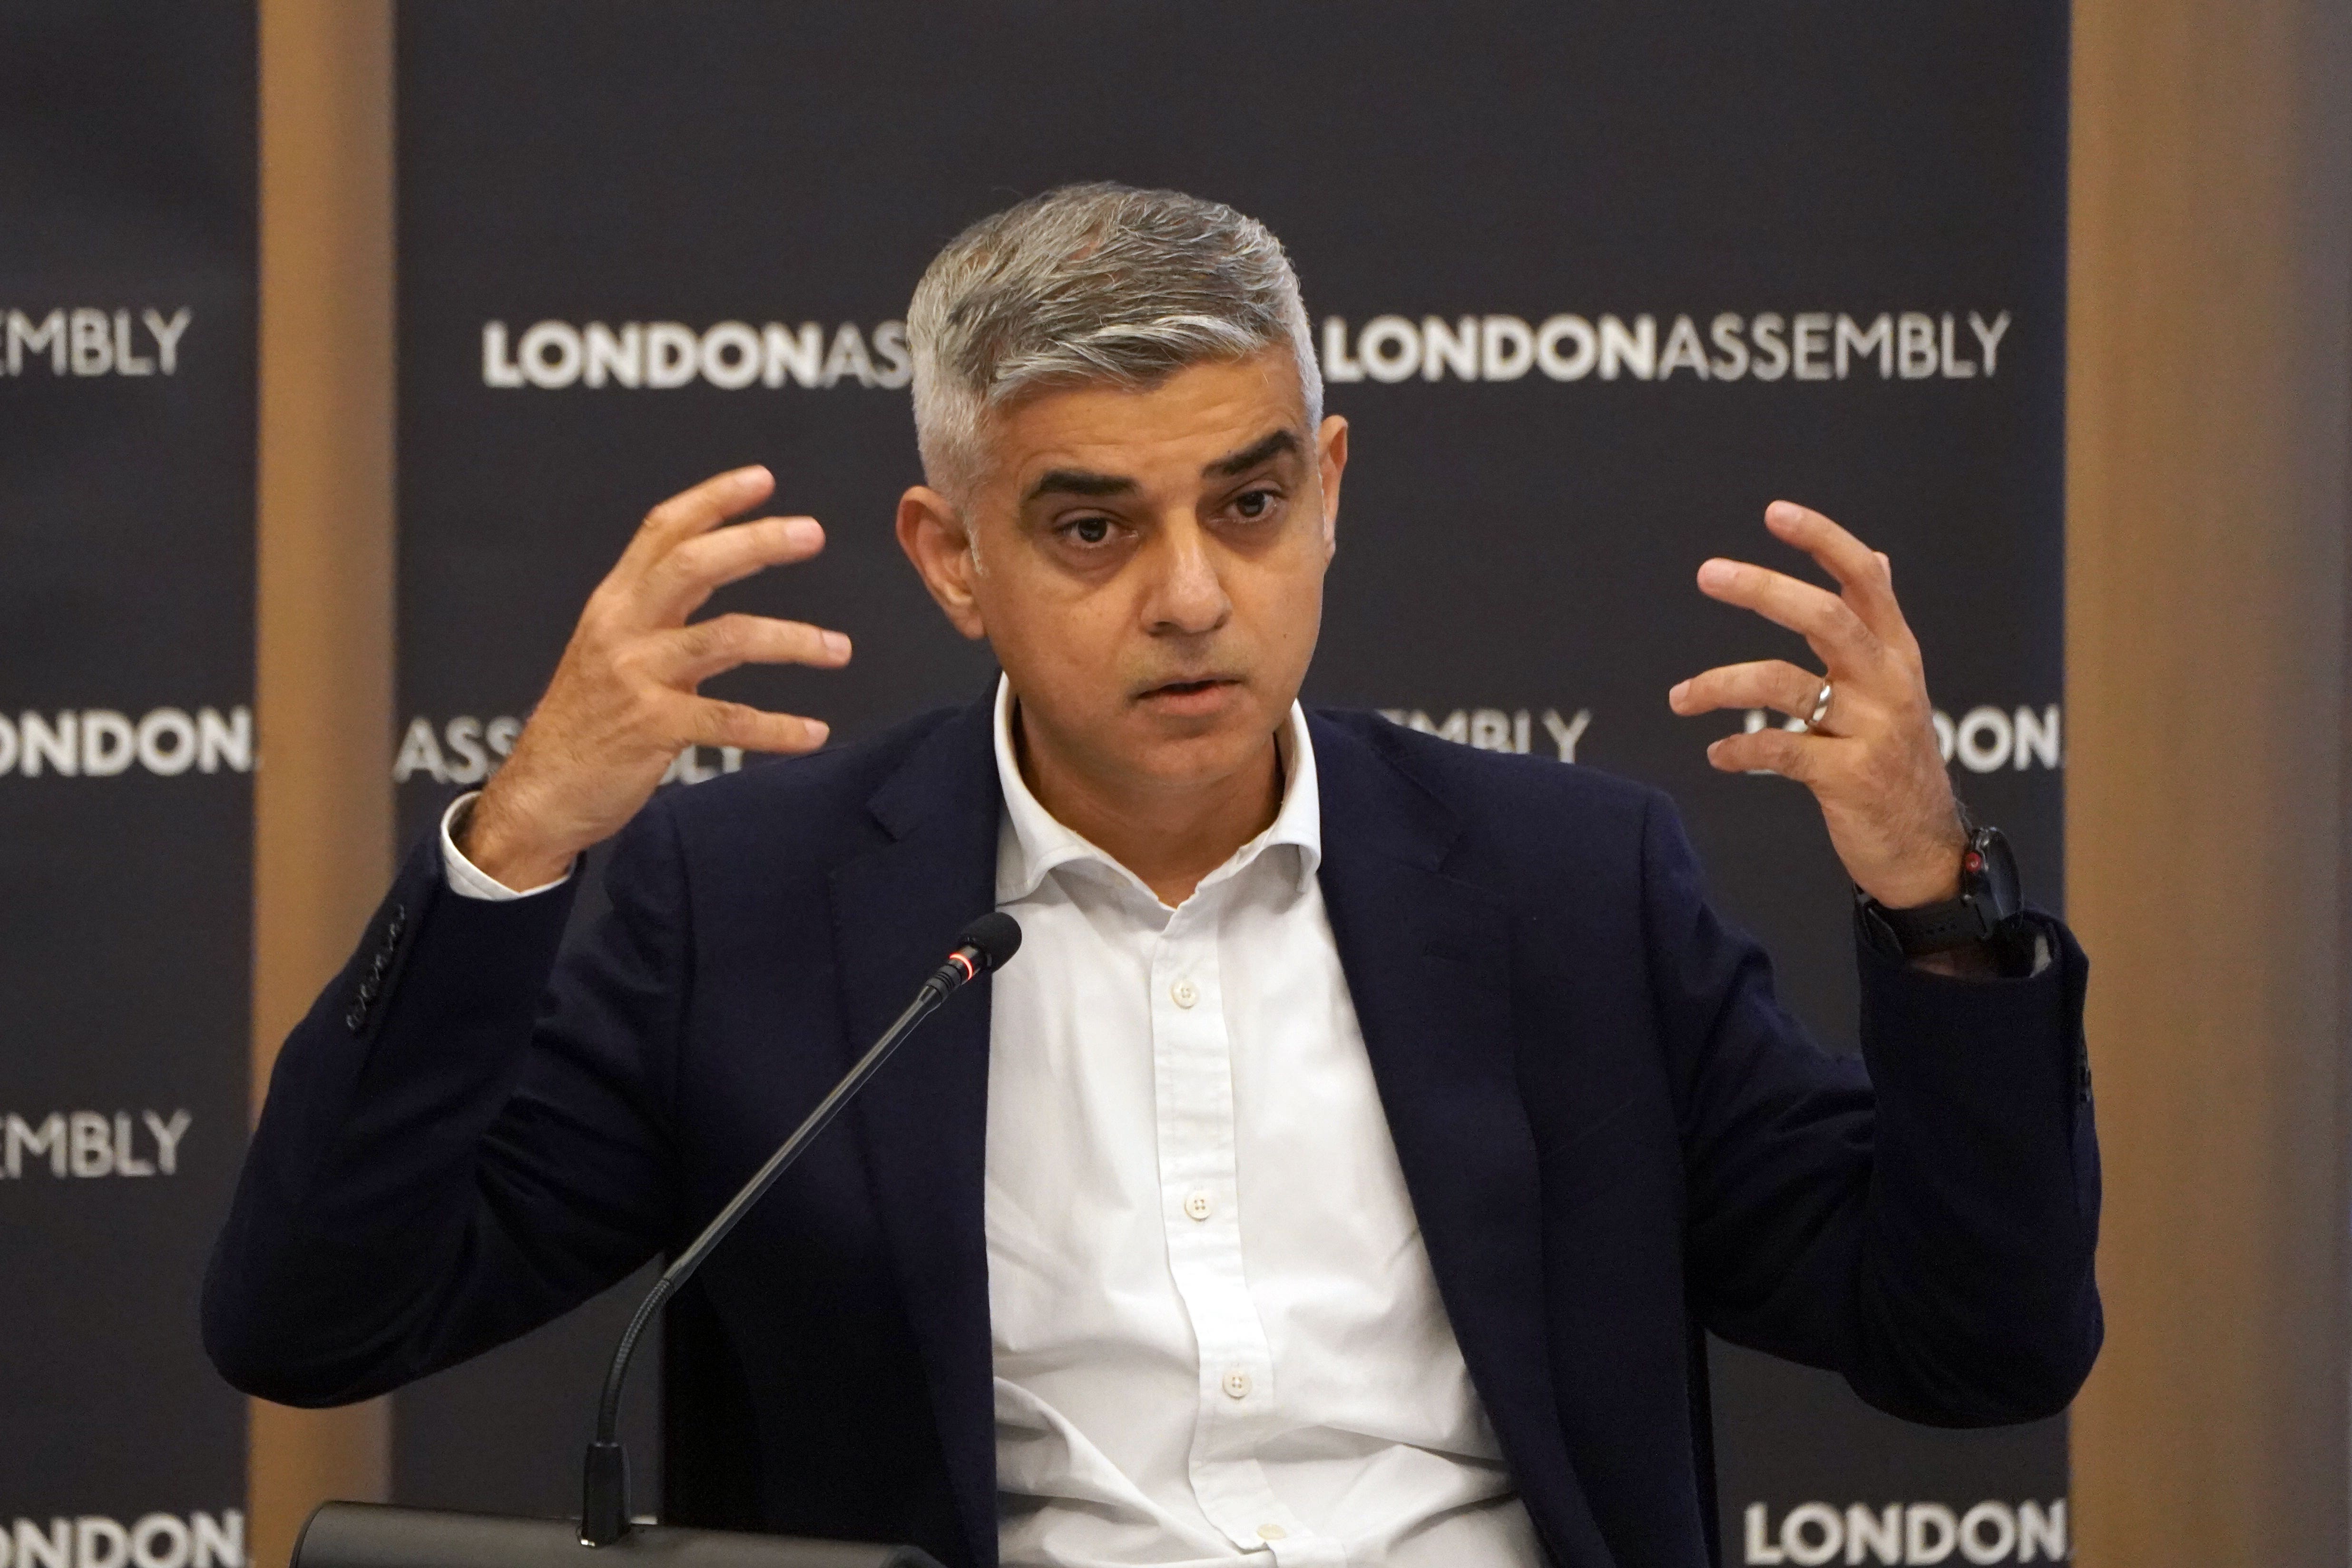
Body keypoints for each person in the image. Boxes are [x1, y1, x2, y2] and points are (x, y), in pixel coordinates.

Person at [204, 184, 2099, 1568]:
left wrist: (1937, 901)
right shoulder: (752, 905)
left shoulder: (1566, 880)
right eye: (1093, 524)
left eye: (1251, 503)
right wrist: (521, 836)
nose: (1193, 593)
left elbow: (1976, 1347)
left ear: (1332, 485)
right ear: (951, 557)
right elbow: (314, 1322)